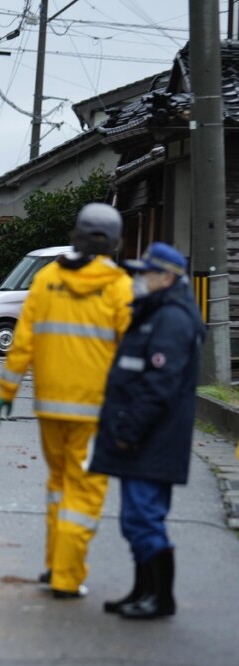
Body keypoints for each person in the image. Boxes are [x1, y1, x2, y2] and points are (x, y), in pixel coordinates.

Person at [0, 203, 133, 599]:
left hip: (50, 406)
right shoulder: (120, 285)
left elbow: (22, 343)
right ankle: (66, 578)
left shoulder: (48, 278)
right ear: (114, 242)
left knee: (57, 486)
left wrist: (6, 394)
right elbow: (131, 351)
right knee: (83, 493)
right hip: (95, 410)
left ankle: (55, 563)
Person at [88, 242, 204, 619]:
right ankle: (143, 591)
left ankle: (160, 598)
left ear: (167, 277)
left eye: (144, 272)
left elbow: (160, 384)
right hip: (144, 436)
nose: (137, 278)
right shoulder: (157, 310)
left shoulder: (172, 318)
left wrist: (130, 430)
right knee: (135, 519)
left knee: (144, 518)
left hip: (152, 437)